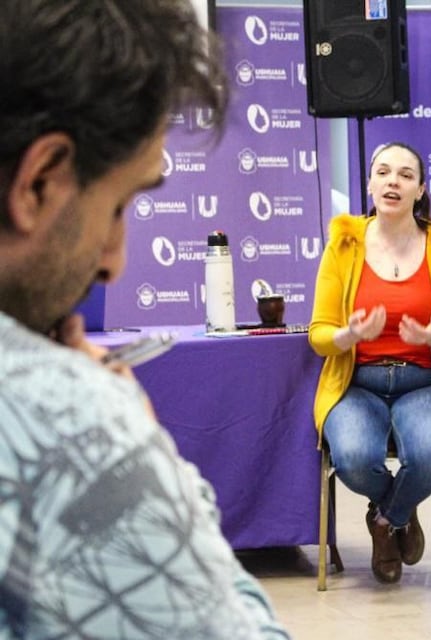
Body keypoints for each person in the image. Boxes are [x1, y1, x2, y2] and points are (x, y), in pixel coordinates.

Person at [0, 1, 290, 637]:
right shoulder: (78, 431)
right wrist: (151, 455)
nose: (116, 261)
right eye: (119, 205)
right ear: (39, 183)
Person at [309, 142, 431, 585]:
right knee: (352, 458)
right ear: (369, 183)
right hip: (357, 382)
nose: (393, 182)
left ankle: (387, 522)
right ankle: (399, 512)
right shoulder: (344, 245)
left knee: (427, 457)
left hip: (424, 381)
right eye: (383, 173)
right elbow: (319, 335)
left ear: (420, 189)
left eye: (405, 175)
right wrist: (348, 335)